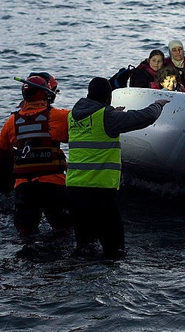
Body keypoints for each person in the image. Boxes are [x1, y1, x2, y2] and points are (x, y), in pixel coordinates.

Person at [66, 77, 168, 259]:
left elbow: (95, 125)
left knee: (85, 246)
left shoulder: (73, 116)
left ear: (88, 95)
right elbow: (145, 117)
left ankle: (81, 281)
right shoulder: (107, 117)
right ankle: (109, 283)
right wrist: (158, 105)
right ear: (108, 97)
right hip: (100, 191)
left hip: (75, 190)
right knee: (114, 249)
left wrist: (113, 113)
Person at [0, 73, 72, 238]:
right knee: (62, 229)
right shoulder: (59, 116)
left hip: (24, 186)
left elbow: (0, 150)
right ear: (46, 94)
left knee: (26, 233)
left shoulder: (12, 121)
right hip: (53, 183)